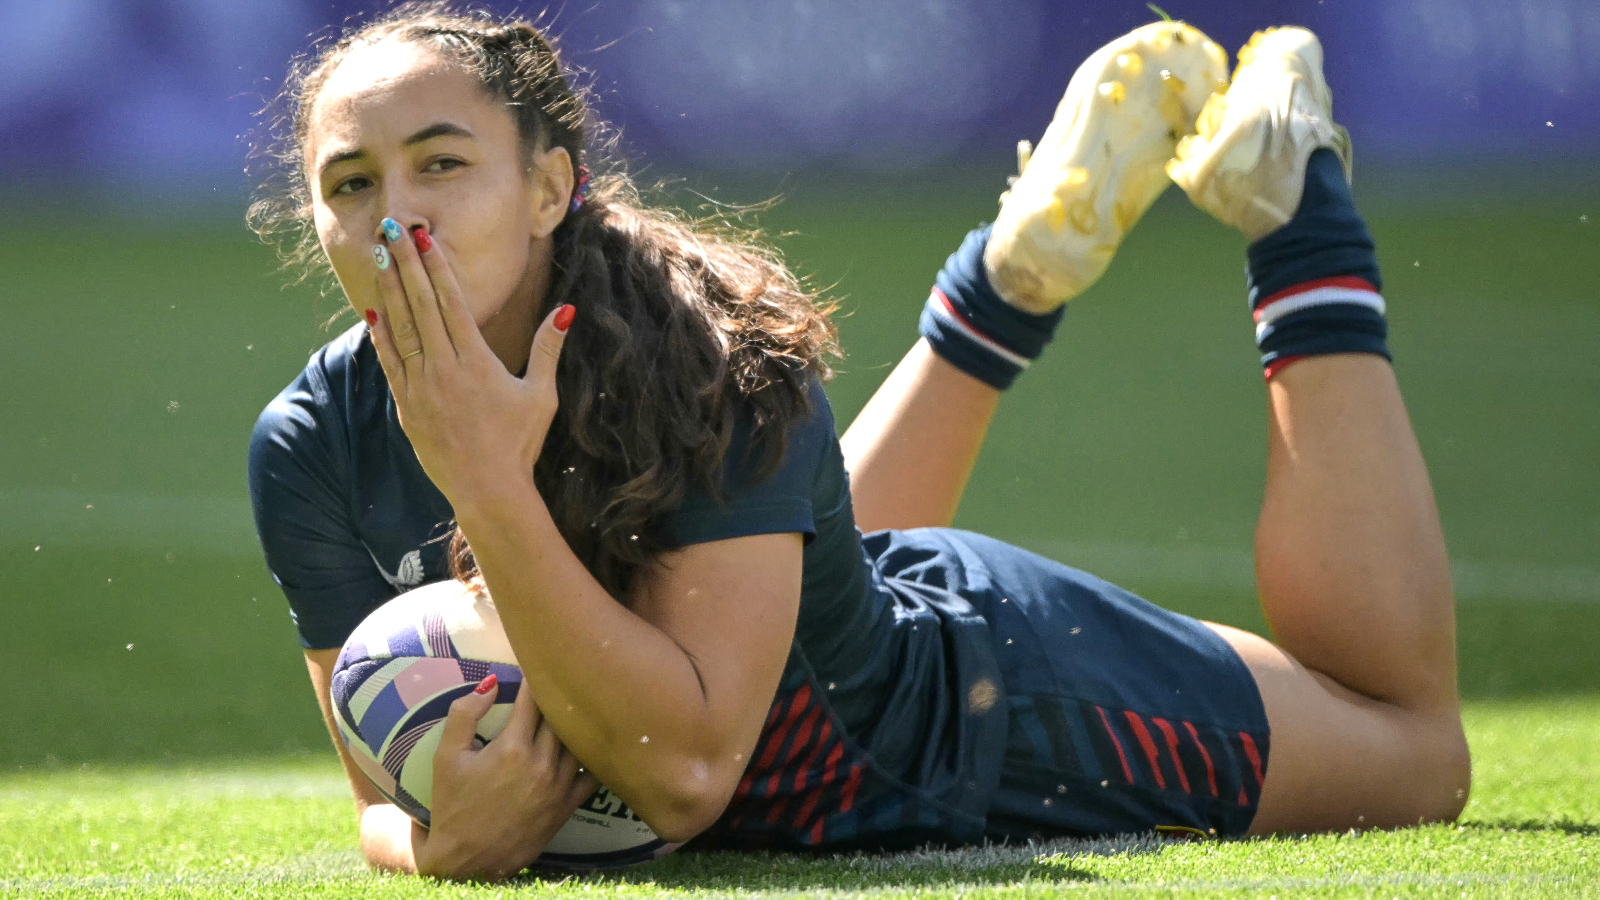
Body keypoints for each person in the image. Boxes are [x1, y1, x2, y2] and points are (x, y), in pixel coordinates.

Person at [247, 3, 1470, 881]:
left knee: (1416, 759)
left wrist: (485, 480)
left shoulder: (707, 357)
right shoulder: (307, 439)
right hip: (788, 624)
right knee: (783, 575)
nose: (392, 214)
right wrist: (429, 846)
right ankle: (1006, 281)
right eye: (348, 183)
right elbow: (380, 779)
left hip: (960, 720)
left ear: (551, 188)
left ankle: (1294, 210)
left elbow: (683, 775)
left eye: (441, 163)